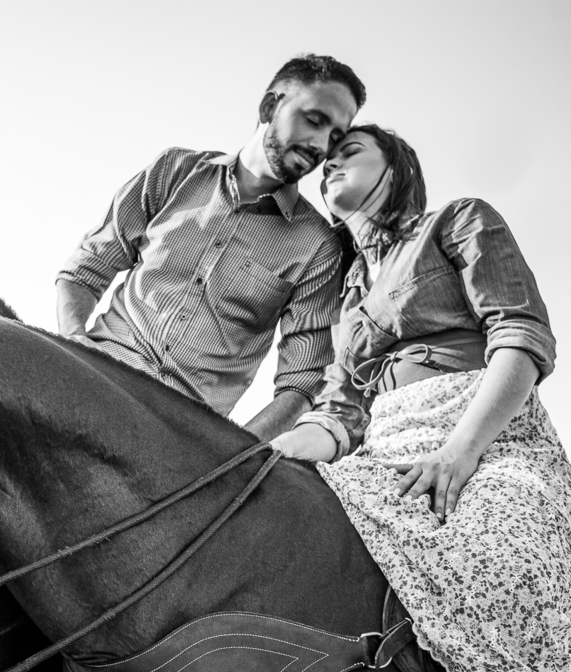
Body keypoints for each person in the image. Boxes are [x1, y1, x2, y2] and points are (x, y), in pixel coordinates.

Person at [270, 125, 571, 672]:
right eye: (324, 161)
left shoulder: (459, 219)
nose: (330, 163)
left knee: (510, 561)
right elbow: (342, 411)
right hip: (386, 449)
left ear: (398, 168)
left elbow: (521, 339)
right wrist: (270, 456)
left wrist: (462, 450)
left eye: (349, 151)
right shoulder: (348, 297)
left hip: (488, 436)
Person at [56, 54, 364, 440]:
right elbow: (85, 270)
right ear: (270, 106)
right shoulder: (174, 170)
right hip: (92, 377)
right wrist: (72, 343)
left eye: (335, 137)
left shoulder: (318, 247)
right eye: (314, 120)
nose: (321, 144)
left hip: (176, 435)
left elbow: (300, 385)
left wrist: (230, 456)